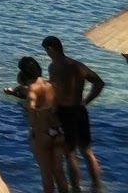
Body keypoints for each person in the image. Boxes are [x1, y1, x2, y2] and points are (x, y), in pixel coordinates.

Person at [43, 35, 104, 189]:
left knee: (70, 153)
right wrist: (87, 101)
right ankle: (97, 186)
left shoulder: (54, 67)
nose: (47, 54)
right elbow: (99, 83)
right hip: (80, 110)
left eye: (46, 51)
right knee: (87, 151)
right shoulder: (78, 65)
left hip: (65, 113)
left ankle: (76, 188)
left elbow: (55, 91)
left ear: (51, 49)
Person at [5, 56, 65, 193]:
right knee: (59, 172)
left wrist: (32, 132)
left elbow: (32, 114)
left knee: (46, 173)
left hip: (43, 132)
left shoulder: (32, 89)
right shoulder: (51, 84)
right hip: (59, 131)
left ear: (24, 73)